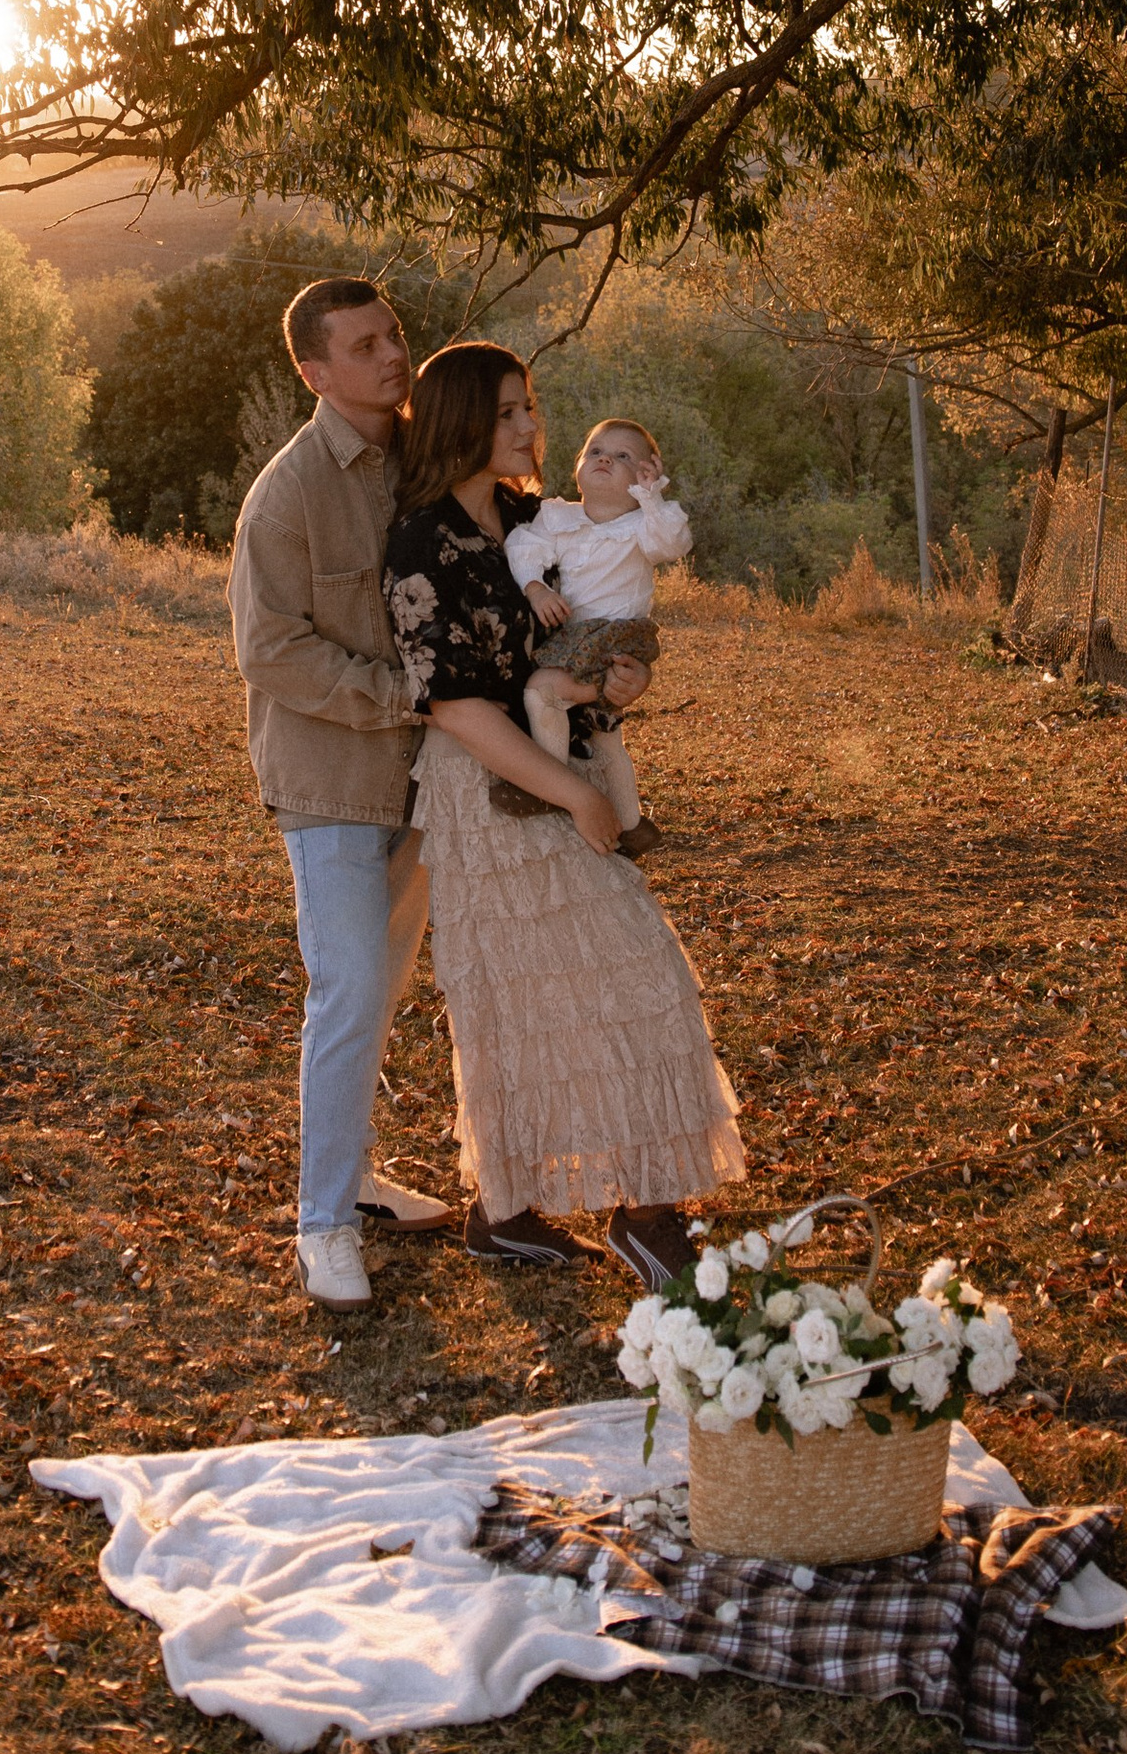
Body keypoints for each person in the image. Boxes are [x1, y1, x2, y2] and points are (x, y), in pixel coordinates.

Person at [383, 342, 746, 1288]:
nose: (532, 429)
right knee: (534, 995)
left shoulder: (529, 515)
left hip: (562, 752)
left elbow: (601, 614)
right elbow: (451, 702)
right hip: (489, 780)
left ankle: (521, 1210)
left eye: (530, 409)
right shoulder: (422, 540)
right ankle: (605, 1214)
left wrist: (619, 687)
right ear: (463, 419)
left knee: (620, 971)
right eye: (510, 413)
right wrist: (580, 792)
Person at [229, 275, 456, 1312]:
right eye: (363, 345)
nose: (390, 354)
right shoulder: (287, 491)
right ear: (314, 372)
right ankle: (321, 1224)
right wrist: (404, 696)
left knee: (381, 987)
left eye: (393, 335)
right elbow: (268, 650)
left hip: (423, 776)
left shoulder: (426, 462)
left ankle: (354, 1178)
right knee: (349, 987)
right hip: (328, 779)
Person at [506, 414, 692, 856]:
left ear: (644, 474)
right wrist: (534, 587)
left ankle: (548, 788)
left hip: (617, 639)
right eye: (596, 451)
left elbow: (673, 544)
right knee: (606, 733)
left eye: (623, 456)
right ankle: (632, 824)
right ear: (578, 464)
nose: (605, 458)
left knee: (540, 692)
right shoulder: (557, 516)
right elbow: (522, 546)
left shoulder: (643, 527)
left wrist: (651, 496)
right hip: (578, 637)